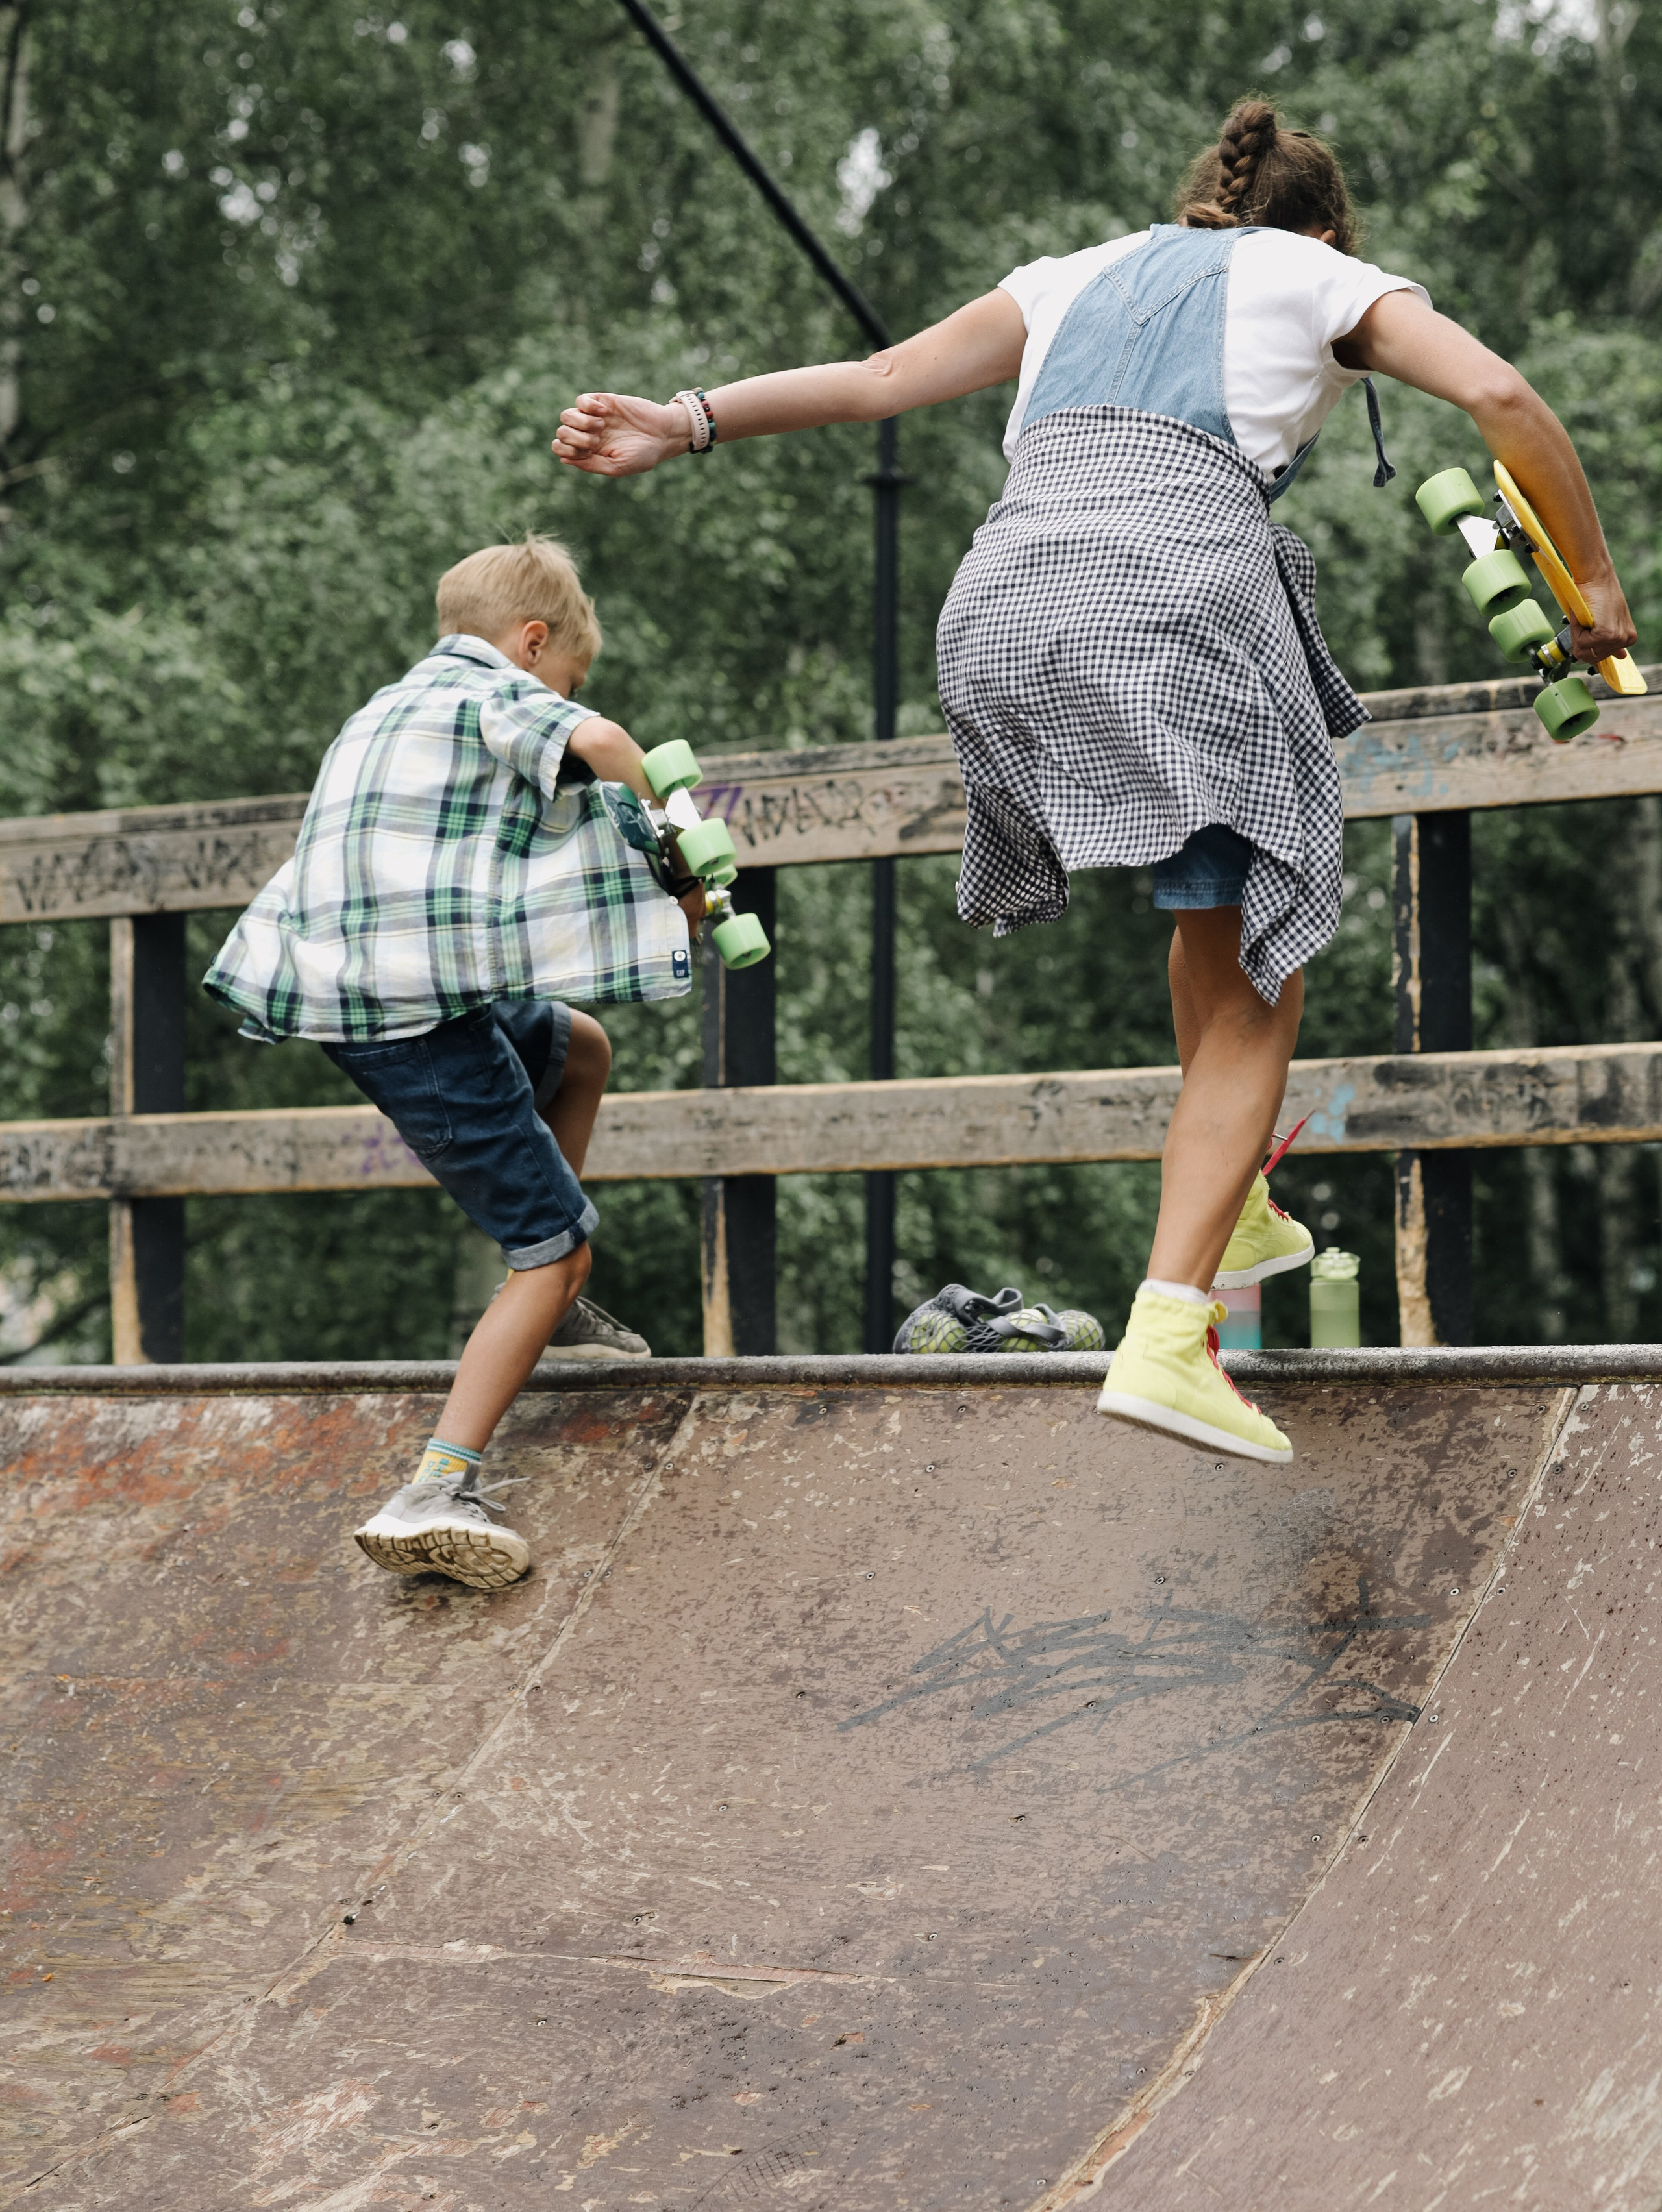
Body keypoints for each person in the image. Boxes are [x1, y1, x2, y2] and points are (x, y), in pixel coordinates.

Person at [553, 99, 1636, 1463]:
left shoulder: (1070, 275)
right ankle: (1170, 1330)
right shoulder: (1322, 275)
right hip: (1171, 598)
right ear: (1318, 227)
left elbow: (881, 379)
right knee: (1260, 981)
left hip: (1001, 605)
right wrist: (1594, 585)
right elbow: (1498, 396)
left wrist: (680, 422)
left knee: (1214, 912)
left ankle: (1229, 1204)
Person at [205, 534, 703, 1585]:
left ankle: (552, 1314)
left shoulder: (386, 709)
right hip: (411, 1020)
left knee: (579, 1049)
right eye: (566, 670)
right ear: (531, 645)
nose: (565, 693)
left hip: (362, 988)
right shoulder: (493, 693)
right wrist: (680, 847)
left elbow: (469, 864)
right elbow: (607, 743)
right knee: (555, 1245)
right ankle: (438, 1481)